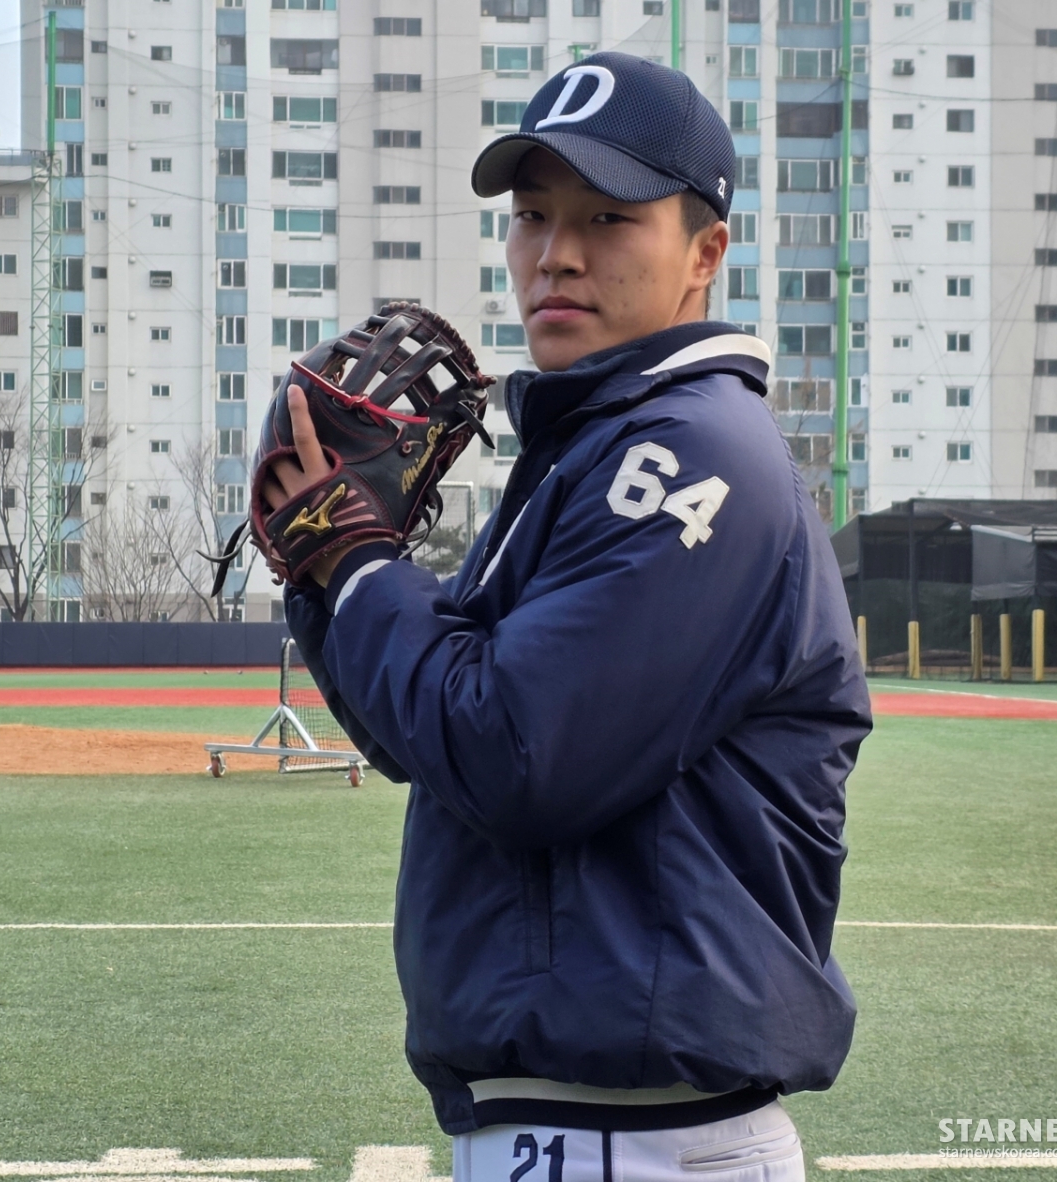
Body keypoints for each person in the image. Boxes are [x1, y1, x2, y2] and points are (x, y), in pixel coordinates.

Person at [270, 51, 871, 1182]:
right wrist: (327, 578)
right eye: (533, 214)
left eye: (607, 215)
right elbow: (427, 740)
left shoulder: (689, 454)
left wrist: (358, 565)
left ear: (707, 251)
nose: (557, 252)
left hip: (644, 1140)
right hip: (581, 1132)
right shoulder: (592, 449)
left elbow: (515, 754)